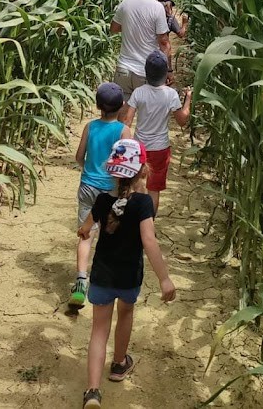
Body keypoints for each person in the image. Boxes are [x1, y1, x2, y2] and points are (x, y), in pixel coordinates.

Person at [79, 138, 176, 409]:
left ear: (113, 170)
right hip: (128, 277)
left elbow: (86, 229)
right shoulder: (144, 203)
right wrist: (164, 278)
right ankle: (119, 364)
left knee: (98, 331)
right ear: (143, 170)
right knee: (126, 314)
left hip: (101, 275)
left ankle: (92, 392)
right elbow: (149, 241)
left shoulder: (101, 201)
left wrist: (85, 231)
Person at [69, 82, 132, 309]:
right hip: (111, 189)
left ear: (97, 106)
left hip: (87, 186)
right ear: (122, 106)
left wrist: (87, 168)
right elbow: (127, 164)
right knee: (110, 233)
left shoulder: (90, 126)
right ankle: (106, 279)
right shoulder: (123, 131)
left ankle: (80, 282)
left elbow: (79, 156)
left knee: (86, 235)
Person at [124, 51, 192, 214]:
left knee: (138, 184)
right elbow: (182, 120)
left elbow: (127, 121)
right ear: (165, 74)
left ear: (146, 72)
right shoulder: (171, 95)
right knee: (154, 190)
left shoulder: (139, 92)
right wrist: (188, 99)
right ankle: (149, 224)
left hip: (140, 147)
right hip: (160, 149)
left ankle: (136, 222)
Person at [111, 0, 173, 101]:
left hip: (123, 70)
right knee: (147, 118)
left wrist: (131, 26)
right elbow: (164, 43)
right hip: (146, 72)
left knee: (123, 118)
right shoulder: (157, 7)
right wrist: (167, 71)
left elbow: (114, 28)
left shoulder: (126, 3)